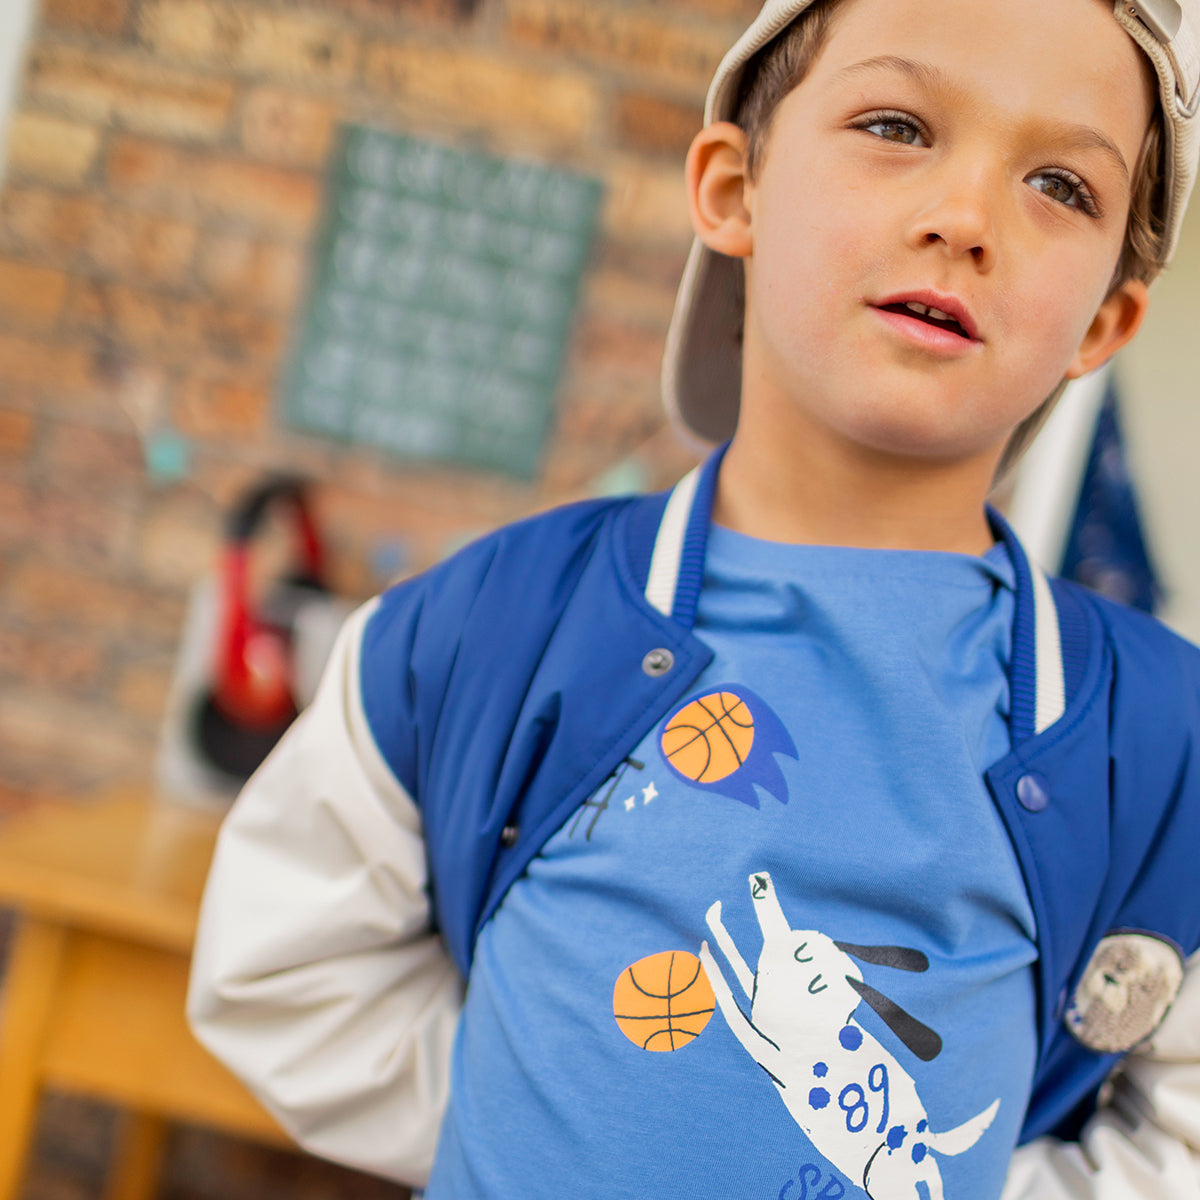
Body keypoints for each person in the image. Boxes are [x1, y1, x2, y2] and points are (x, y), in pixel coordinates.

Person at [187, 0, 1200, 1194]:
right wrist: (544, 1102)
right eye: (895, 124)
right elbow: (279, 971)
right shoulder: (492, 626)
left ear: (1110, 321)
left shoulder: (1159, 743)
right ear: (734, 188)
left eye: (1061, 188)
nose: (966, 219)